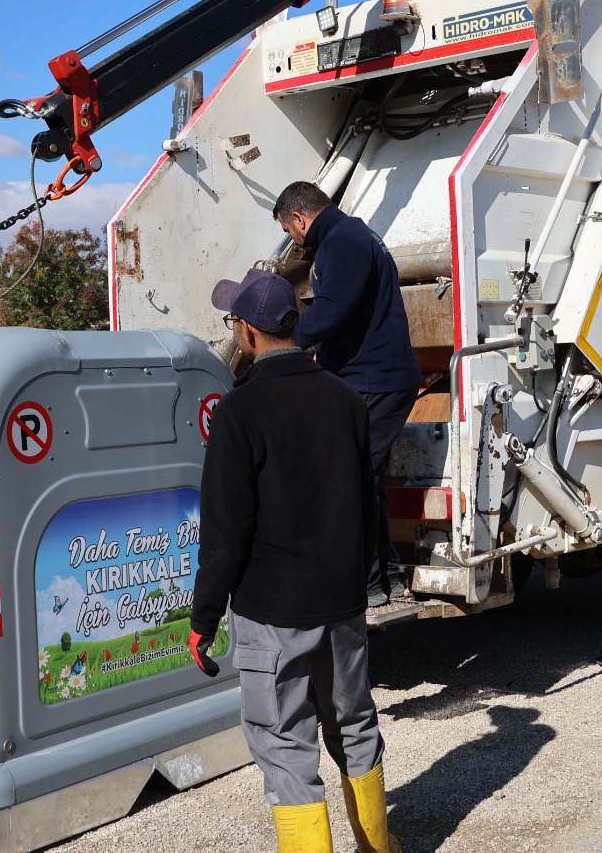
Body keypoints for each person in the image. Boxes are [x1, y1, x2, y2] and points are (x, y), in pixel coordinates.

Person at [188, 267, 403, 853]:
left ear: (250, 332)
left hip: (273, 610)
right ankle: (378, 848)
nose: (233, 329)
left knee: (285, 746)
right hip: (341, 602)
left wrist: (203, 617)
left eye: (234, 320)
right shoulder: (345, 399)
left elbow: (227, 532)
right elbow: (366, 501)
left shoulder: (239, 412)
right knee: (355, 724)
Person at [273, 181, 421, 606]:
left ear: (299, 218)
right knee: (364, 479)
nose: (295, 240)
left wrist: (288, 342)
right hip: (373, 377)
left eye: (290, 230)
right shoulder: (350, 236)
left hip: (377, 380)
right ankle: (378, 577)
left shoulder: (343, 241)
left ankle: (367, 584)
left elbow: (333, 307)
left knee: (350, 480)